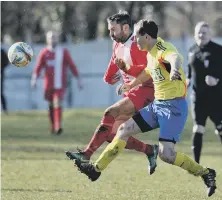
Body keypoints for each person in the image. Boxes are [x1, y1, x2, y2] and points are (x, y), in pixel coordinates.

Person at [73, 20, 217, 197]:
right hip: (157, 105)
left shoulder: (164, 49)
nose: (134, 39)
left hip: (173, 109)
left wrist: (174, 70)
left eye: (137, 36)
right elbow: (148, 72)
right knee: (124, 129)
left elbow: (175, 58)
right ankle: (96, 170)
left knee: (167, 155)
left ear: (146, 37)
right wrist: (131, 85)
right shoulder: (150, 52)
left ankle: (205, 173)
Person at [65, 11, 158, 175]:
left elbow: (146, 72)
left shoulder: (138, 45)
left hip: (147, 91)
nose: (110, 34)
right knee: (112, 134)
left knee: (110, 113)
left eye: (113, 30)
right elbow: (113, 68)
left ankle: (86, 154)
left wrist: (125, 70)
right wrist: (110, 77)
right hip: (132, 93)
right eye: (109, 30)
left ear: (125, 27)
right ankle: (150, 150)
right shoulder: (117, 44)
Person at [31, 31, 83, 135]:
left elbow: (72, 65)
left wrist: (78, 79)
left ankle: (58, 126)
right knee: (51, 106)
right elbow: (38, 67)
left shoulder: (63, 52)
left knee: (57, 103)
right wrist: (34, 79)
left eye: (54, 37)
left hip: (60, 85)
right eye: (50, 38)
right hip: (48, 85)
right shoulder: (44, 53)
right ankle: (53, 126)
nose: (52, 39)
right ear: (47, 39)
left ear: (57, 39)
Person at [187, 21, 222, 164]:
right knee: (198, 128)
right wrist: (187, 80)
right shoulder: (191, 50)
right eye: (199, 33)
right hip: (198, 98)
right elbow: (190, 71)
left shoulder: (218, 50)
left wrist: (217, 79)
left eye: (204, 32)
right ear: (195, 35)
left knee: (220, 128)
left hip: (216, 98)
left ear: (210, 34)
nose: (201, 35)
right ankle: (196, 165)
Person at [1, 48, 9, 114]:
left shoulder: (2, 51)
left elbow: (6, 62)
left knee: (1, 92)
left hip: (0, 74)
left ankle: (4, 109)